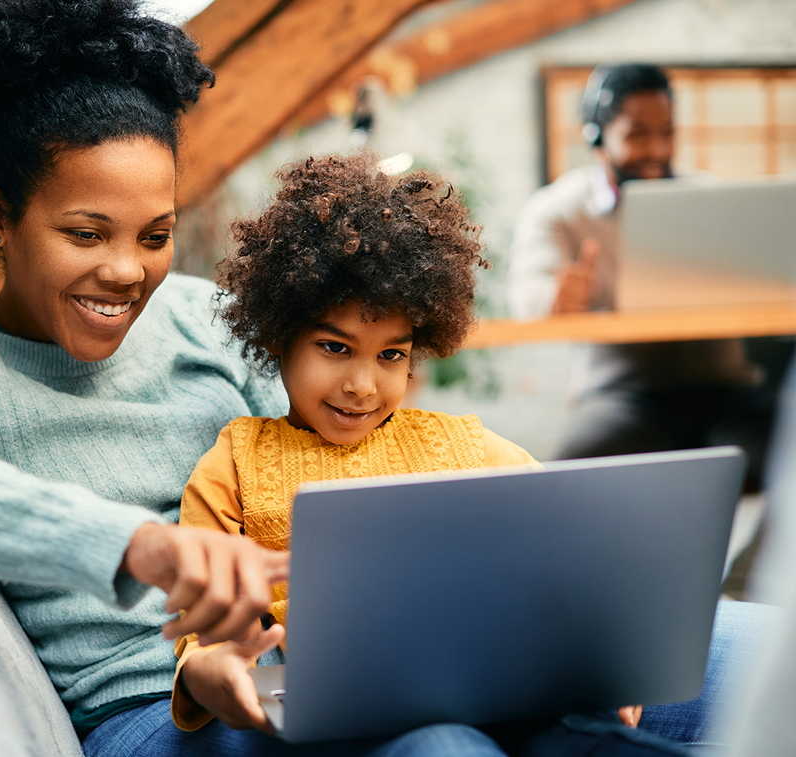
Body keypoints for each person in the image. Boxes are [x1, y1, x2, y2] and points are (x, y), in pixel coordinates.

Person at [0, 7, 771, 756]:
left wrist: (553, 615)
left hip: (339, 661)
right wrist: (140, 546)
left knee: (753, 662)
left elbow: (342, 456)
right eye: (85, 233)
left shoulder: (206, 319)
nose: (127, 271)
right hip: (154, 707)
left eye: (156, 234)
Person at [148, 152, 682, 755]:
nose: (363, 385)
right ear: (278, 335)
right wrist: (211, 671)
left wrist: (603, 644)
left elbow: (571, 532)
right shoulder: (237, 461)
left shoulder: (460, 445)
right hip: (342, 714)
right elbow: (203, 627)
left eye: (391, 355)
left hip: (492, 678)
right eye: (334, 347)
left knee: (591, 737)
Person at [506, 64, 776, 491]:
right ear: (595, 136)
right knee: (560, 483)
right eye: (637, 134)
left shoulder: (712, 200)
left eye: (667, 132)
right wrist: (555, 299)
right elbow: (527, 295)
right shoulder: (557, 210)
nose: (657, 149)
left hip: (725, 394)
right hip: (620, 399)